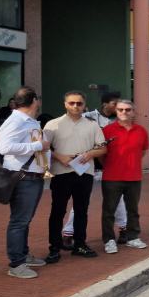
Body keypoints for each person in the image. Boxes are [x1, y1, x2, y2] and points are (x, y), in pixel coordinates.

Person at [43, 91, 107, 263]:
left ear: (84, 104)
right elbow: (42, 148)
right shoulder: (52, 124)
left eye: (79, 103)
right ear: (65, 104)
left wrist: (90, 154)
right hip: (61, 173)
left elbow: (103, 148)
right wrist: (59, 156)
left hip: (84, 173)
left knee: (81, 211)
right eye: (72, 103)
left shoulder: (92, 125)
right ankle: (54, 247)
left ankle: (80, 244)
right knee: (57, 211)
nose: (75, 106)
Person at [62, 91, 128, 248]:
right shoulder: (88, 117)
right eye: (115, 104)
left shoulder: (120, 121)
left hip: (111, 168)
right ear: (105, 104)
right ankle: (68, 233)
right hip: (89, 167)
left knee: (118, 201)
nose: (118, 107)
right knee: (81, 201)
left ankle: (124, 229)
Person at [0, 88, 51, 278]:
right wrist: (38, 146)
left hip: (32, 176)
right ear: (34, 100)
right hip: (23, 178)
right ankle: (16, 264)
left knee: (24, 220)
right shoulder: (15, 121)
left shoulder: (27, 121)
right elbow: (5, 147)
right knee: (19, 221)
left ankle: (23, 254)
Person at [101, 100, 149, 254]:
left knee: (133, 210)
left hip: (134, 177)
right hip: (111, 177)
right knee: (109, 211)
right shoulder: (107, 130)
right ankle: (109, 240)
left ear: (133, 112)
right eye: (121, 109)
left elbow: (142, 152)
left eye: (128, 110)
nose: (124, 112)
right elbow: (102, 155)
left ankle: (132, 237)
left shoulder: (141, 131)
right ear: (116, 111)